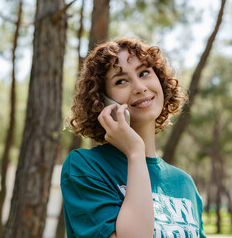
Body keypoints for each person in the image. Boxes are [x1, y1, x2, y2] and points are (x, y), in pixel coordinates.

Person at [60, 37, 206, 238]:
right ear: (101, 101)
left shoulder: (184, 182)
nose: (139, 87)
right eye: (121, 81)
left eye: (144, 73)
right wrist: (136, 153)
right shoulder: (85, 167)